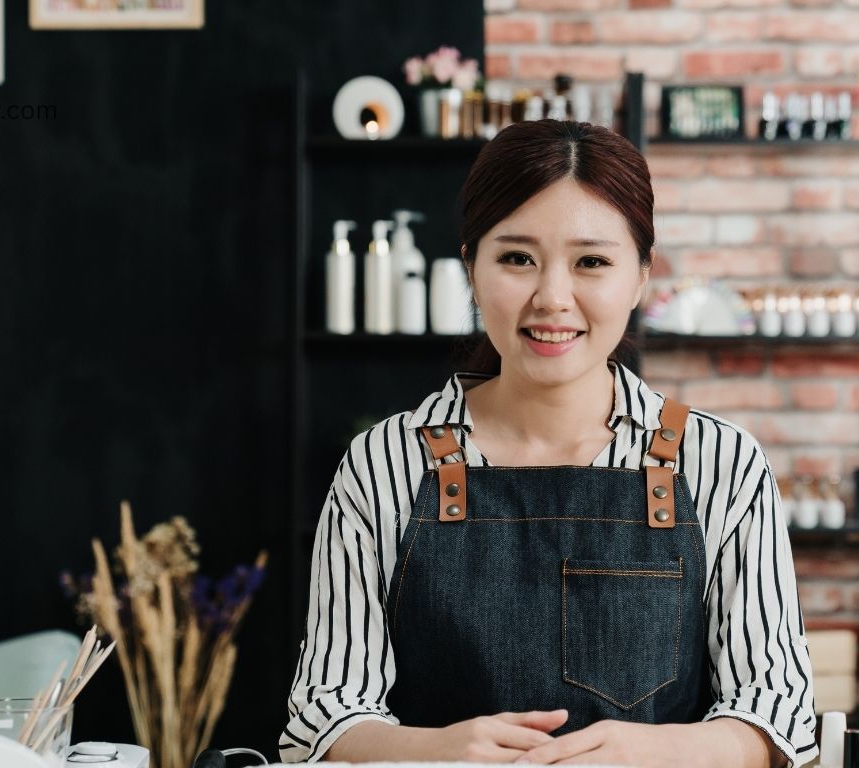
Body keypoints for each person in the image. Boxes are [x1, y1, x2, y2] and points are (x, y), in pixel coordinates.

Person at [281, 120, 816, 767]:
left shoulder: (722, 463)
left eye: (591, 261)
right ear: (471, 270)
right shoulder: (385, 464)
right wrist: (440, 749)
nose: (552, 298)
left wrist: (657, 750)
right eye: (516, 258)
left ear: (641, 277)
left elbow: (779, 712)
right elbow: (322, 718)